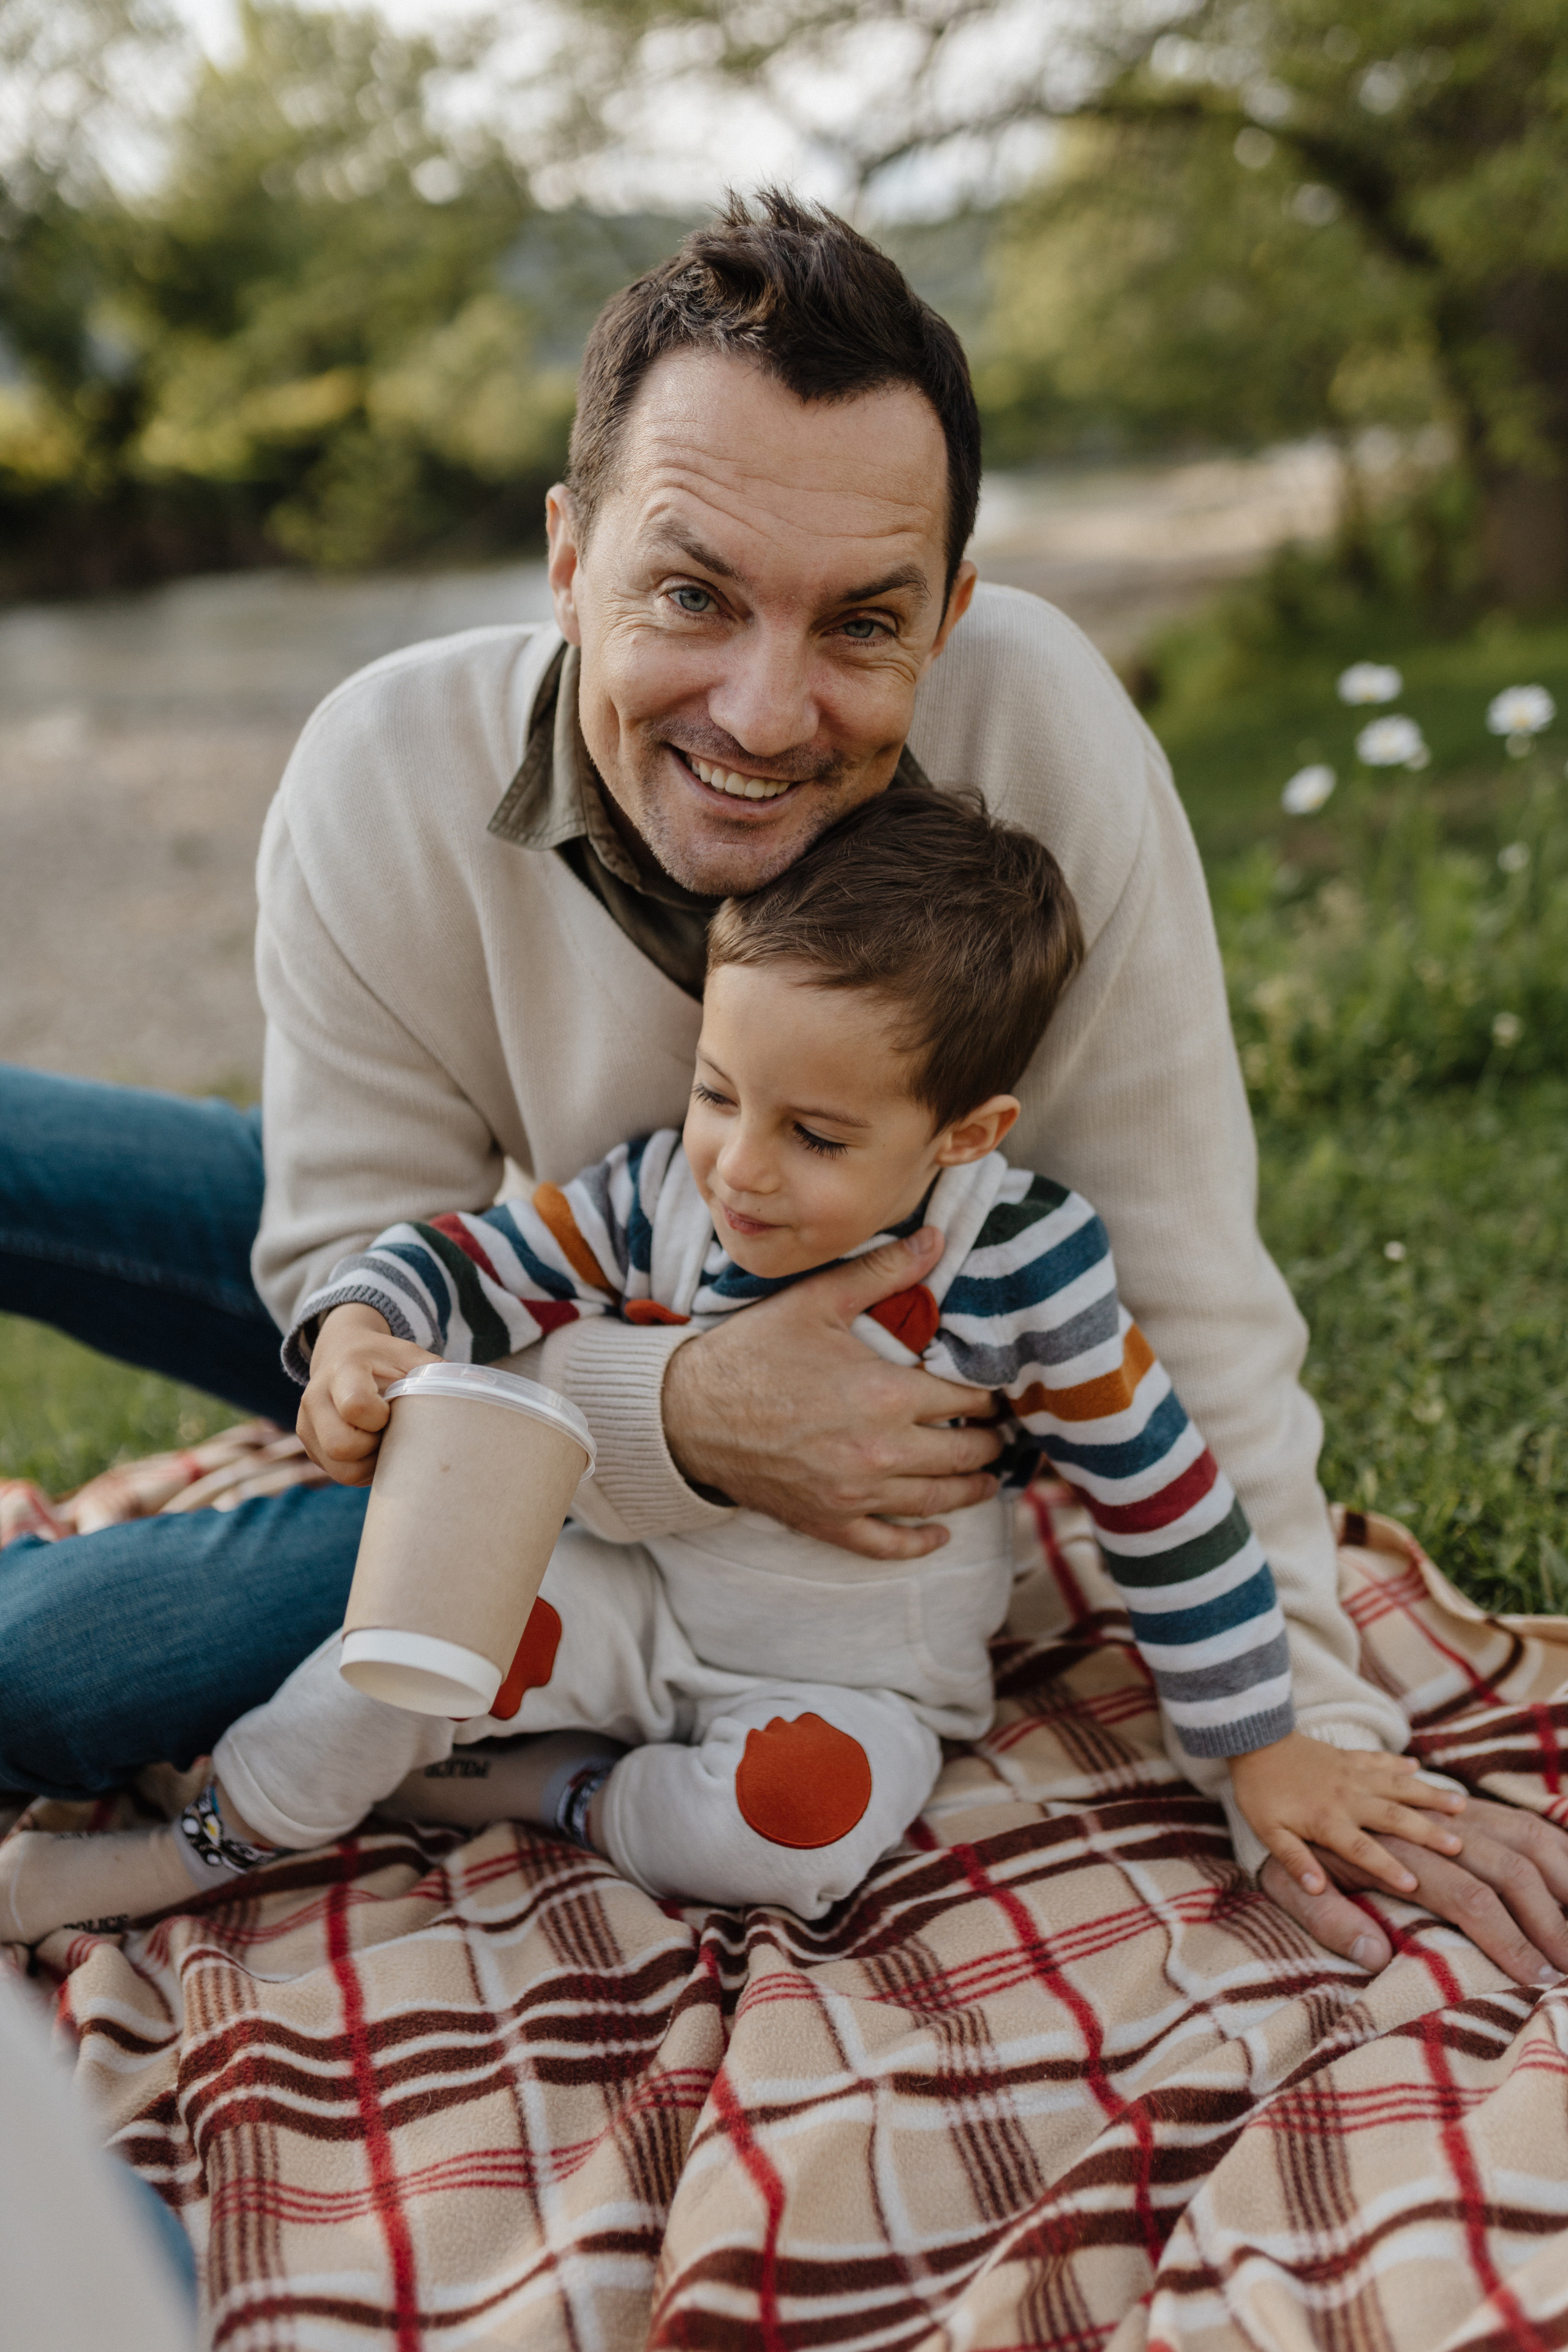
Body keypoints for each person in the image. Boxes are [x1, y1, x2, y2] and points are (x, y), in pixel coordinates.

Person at [3, 192, 1567, 1984]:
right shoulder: (377, 772)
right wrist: (668, 1409)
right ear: (565, 555)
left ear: (952, 613)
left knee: (48, 1671)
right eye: (690, 593)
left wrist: (1309, 1738)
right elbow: (347, 1279)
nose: (763, 711)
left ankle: (533, 1766)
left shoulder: (1042, 731)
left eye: (860, 624)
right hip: (520, 1295)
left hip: (641, 1436)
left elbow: (1185, 1297)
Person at [0, 793, 1466, 1940]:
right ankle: (186, 1855)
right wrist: (371, 1327)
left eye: (815, 1136)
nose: (741, 1169)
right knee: (401, 1647)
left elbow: (1169, 1504)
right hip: (626, 1598)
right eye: (717, 1092)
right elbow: (472, 1252)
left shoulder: (1026, 1266)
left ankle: (552, 1792)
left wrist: (1259, 1744)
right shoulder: (663, 1190)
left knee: (798, 1831)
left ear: (964, 1134)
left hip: (858, 1679)